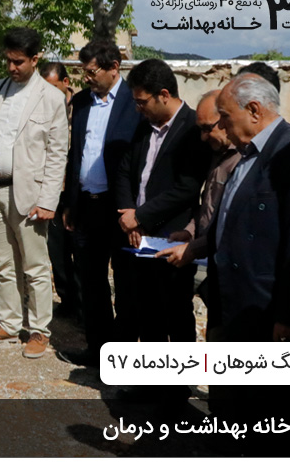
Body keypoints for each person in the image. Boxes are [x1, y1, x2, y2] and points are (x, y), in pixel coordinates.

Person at [208, 73, 290, 436]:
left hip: (273, 322)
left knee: (275, 424)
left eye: (225, 116)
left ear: (253, 110)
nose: (221, 126)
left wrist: (289, 317)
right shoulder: (245, 156)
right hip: (239, 314)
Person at [0, 27, 68, 359]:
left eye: (18, 62)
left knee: (34, 267)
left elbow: (57, 153)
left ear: (35, 59)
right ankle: (8, 324)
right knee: (4, 264)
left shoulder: (51, 98)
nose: (11, 67)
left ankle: (39, 330)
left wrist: (48, 201)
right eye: (8, 60)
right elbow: (1, 137)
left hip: (29, 197)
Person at [112, 60, 210, 403]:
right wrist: (128, 213)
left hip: (172, 238)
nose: (137, 108)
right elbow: (125, 170)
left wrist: (140, 216)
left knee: (177, 311)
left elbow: (186, 188)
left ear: (164, 95)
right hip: (136, 234)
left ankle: (179, 386)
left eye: (142, 101)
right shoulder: (145, 124)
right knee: (146, 309)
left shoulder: (193, 127)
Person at [57, 40, 143, 367]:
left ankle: (122, 356)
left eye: (92, 72)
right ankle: (98, 350)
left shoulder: (133, 102)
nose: (86, 78)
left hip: (120, 209)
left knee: (125, 284)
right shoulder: (80, 103)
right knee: (91, 284)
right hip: (86, 207)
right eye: (83, 72)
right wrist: (69, 202)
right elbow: (74, 153)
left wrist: (136, 210)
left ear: (113, 69)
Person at [154, 89, 241, 269]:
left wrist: (194, 248)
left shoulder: (243, 159)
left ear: (225, 119)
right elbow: (209, 206)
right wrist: (190, 231)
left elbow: (233, 223)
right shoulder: (216, 154)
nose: (203, 137)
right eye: (200, 129)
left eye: (208, 128)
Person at [38, 62, 81, 322]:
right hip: (52, 191)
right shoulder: (42, 110)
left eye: (53, 87)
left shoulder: (82, 109)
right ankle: (67, 300)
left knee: (81, 252)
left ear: (65, 83)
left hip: (78, 192)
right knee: (57, 251)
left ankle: (84, 306)